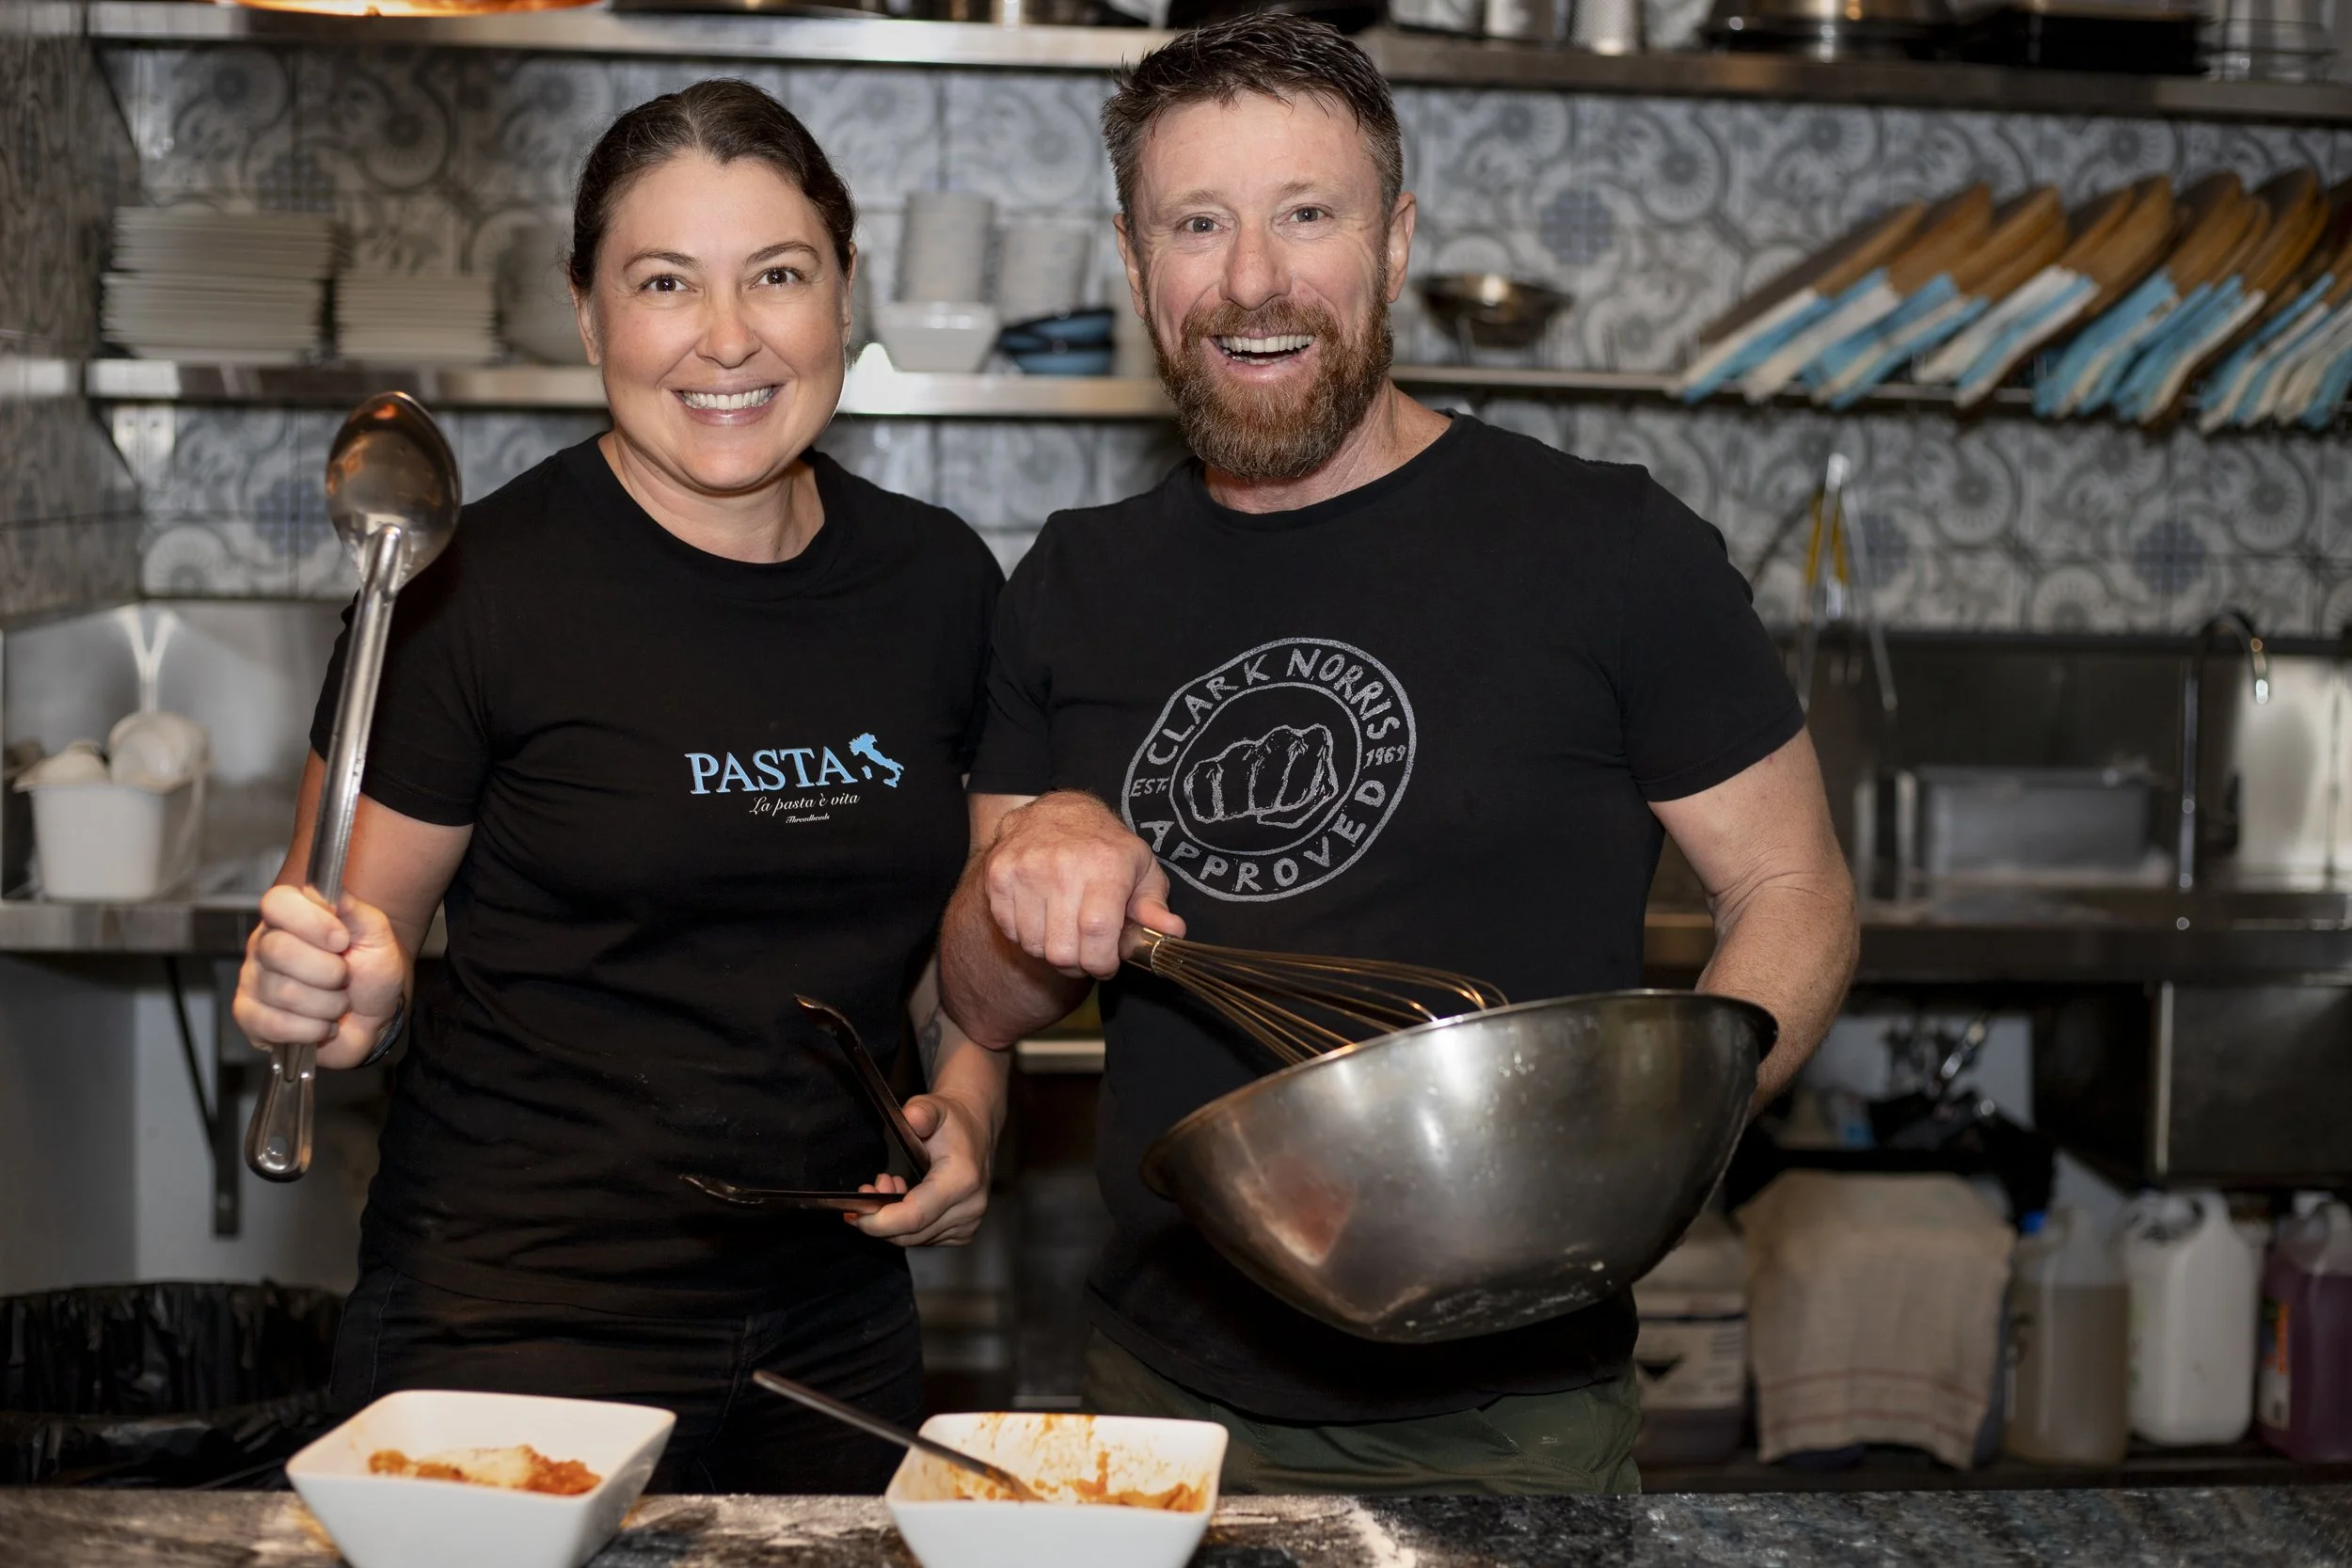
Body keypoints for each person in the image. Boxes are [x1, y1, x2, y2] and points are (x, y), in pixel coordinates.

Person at [939, 15, 1859, 1496]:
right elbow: (982, 1005)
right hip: (1158, 1394)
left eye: (1308, 214)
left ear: (1397, 238)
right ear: (1133, 263)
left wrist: (1652, 1148)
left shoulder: (1607, 549)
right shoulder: (1069, 581)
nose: (1253, 280)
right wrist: (1021, 863)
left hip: (1511, 1412)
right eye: (1199, 223)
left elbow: (1793, 890)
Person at [232, 80, 1008, 1493]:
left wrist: (970, 1096)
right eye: (666, 283)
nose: (728, 337)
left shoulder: (940, 582)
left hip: (834, 1328)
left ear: (846, 293)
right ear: (590, 313)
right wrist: (331, 988)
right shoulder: (466, 585)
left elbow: (957, 950)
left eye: (780, 275)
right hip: (516, 1319)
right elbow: (355, 943)